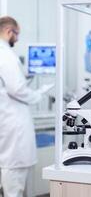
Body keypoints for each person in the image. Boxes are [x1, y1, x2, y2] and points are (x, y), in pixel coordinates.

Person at [0, 16, 53, 197]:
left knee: (14, 177)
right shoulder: (5, 54)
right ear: (9, 32)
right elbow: (16, 89)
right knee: (14, 181)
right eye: (17, 34)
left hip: (10, 122)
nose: (18, 39)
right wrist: (39, 95)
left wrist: (26, 78)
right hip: (12, 127)